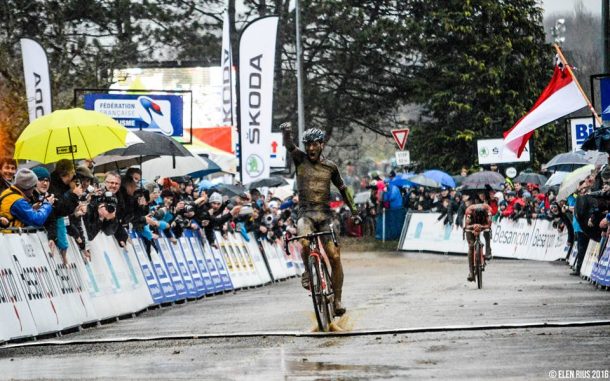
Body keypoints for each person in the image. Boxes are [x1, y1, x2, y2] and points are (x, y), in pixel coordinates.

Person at [281, 122, 359, 316]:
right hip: (305, 215)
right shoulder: (300, 159)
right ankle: (308, 271)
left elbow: (343, 189)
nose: (310, 148)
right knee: (305, 242)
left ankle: (338, 299)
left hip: (325, 216)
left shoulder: (330, 167)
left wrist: (355, 211)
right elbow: (289, 144)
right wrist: (286, 132)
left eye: (314, 144)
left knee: (334, 256)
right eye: (307, 144)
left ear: (322, 144)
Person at [463, 200, 493, 282]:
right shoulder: (469, 210)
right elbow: (467, 225)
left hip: (483, 223)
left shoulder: (488, 209)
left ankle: (488, 250)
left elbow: (489, 224)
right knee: (471, 246)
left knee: (487, 231)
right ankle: (471, 272)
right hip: (471, 224)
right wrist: (472, 226)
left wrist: (483, 226)